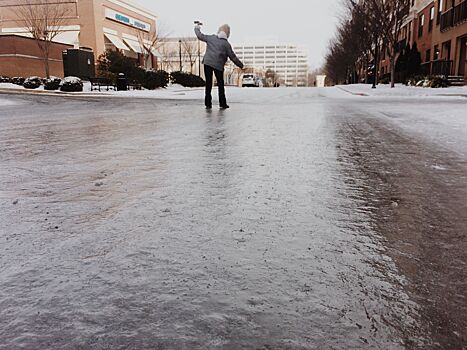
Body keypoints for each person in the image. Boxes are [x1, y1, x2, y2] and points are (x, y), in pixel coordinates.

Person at [195, 23, 244, 110]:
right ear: (228, 33)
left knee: (208, 83)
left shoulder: (211, 38)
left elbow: (200, 36)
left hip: (208, 63)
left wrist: (197, 28)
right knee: (220, 84)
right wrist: (241, 65)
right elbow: (233, 57)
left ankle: (208, 104)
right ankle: (222, 103)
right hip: (218, 66)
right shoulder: (226, 44)